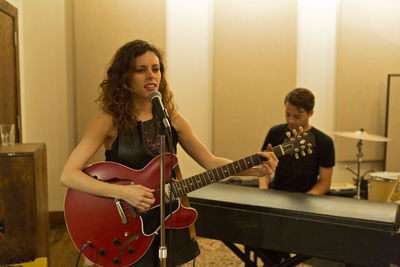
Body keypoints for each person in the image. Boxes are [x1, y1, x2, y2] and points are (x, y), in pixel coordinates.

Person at [60, 39, 278, 267]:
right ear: (125, 79)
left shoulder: (171, 119)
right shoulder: (107, 122)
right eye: (140, 70)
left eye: (156, 69)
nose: (151, 76)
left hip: (167, 219)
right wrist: (124, 193)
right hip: (126, 226)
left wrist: (256, 170)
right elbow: (68, 175)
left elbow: (211, 162)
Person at [258, 87, 335, 266]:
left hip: (306, 202)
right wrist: (263, 189)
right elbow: (264, 168)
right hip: (276, 196)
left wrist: (303, 202)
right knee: (257, 235)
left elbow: (324, 183)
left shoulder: (323, 142)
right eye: (287, 114)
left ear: (310, 113)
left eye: (297, 117)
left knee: (297, 241)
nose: (291, 121)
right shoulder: (276, 133)